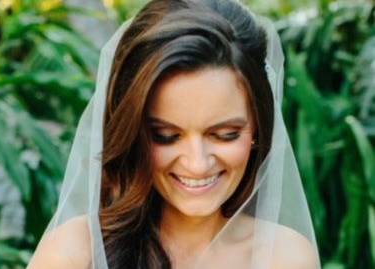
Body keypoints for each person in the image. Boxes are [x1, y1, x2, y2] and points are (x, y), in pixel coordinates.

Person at [27, 0, 321, 268]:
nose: (197, 163)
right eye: (166, 136)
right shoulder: (75, 252)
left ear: (258, 127)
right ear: (133, 136)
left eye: (225, 134)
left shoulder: (285, 257)